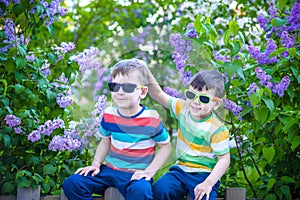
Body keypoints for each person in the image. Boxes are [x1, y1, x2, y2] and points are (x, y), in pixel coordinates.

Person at [62, 58, 171, 200]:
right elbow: (105, 141)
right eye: (115, 86)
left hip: (135, 174)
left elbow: (165, 147)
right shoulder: (109, 114)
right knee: (72, 183)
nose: (119, 92)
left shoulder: (151, 118)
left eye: (127, 87)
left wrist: (149, 172)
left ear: (143, 92)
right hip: (110, 170)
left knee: (141, 192)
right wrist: (96, 164)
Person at [146, 68, 230, 200]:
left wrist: (208, 183)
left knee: (205, 197)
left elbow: (224, 159)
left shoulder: (217, 128)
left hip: (204, 175)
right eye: (191, 95)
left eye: (203, 98)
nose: (196, 102)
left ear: (216, 104)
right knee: (160, 189)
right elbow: (157, 93)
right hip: (180, 171)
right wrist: (145, 69)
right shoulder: (183, 109)